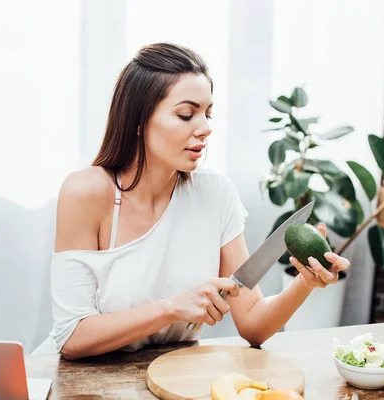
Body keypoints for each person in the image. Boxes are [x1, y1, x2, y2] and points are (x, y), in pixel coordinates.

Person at [35, 43, 350, 360]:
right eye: (186, 114)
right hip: (82, 381)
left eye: (208, 113)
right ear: (138, 121)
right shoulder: (87, 191)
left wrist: (305, 283)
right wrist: (171, 308)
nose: (205, 128)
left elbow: (253, 324)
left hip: (172, 377)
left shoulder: (216, 195)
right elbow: (71, 337)